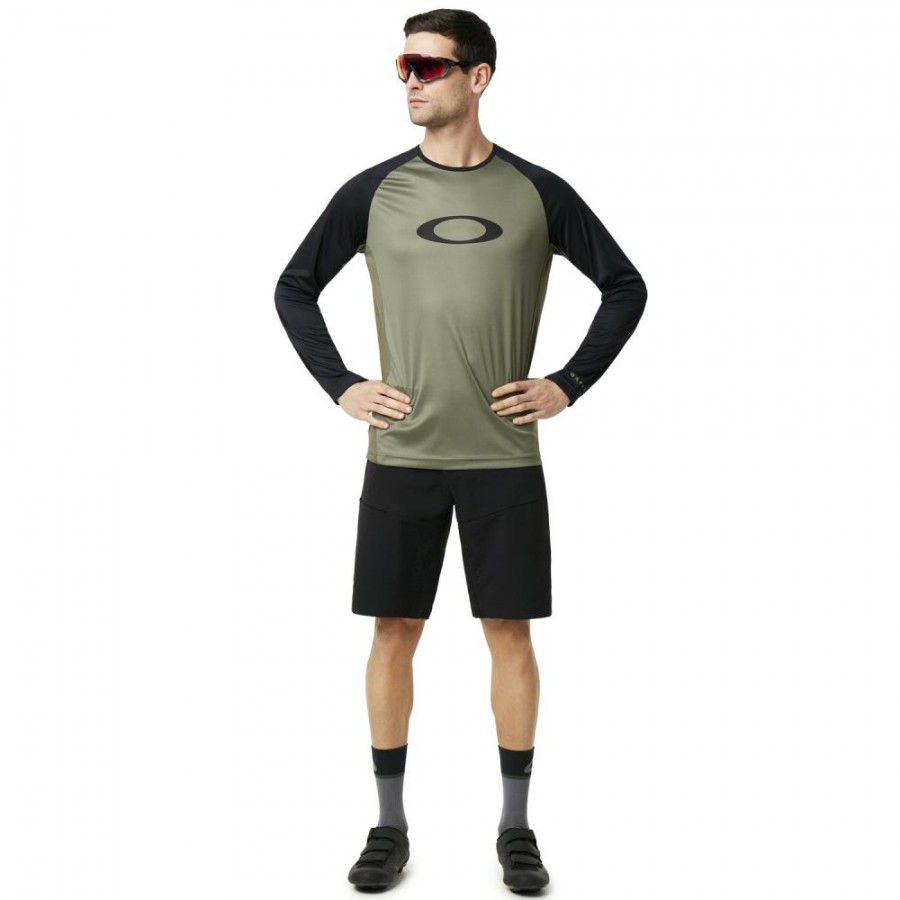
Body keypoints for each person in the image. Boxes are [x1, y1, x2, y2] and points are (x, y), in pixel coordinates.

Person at [273, 8, 647, 892]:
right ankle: (389, 826)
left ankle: (516, 828)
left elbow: (626, 286)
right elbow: (293, 287)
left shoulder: (538, 192)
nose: (410, 79)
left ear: (477, 77)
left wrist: (567, 383)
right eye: (403, 64)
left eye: (429, 66)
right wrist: (342, 385)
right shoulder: (373, 192)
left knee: (508, 633)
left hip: (503, 461)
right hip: (401, 456)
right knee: (393, 631)